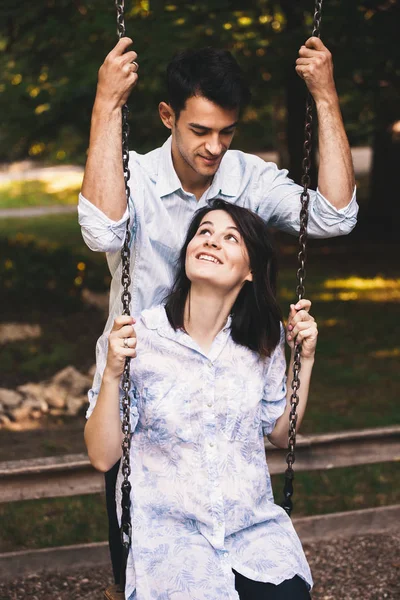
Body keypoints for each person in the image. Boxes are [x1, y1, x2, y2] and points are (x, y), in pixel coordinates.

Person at [78, 37, 357, 584]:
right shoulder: (131, 175)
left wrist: (324, 97)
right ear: (167, 116)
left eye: (226, 132)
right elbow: (99, 230)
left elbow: (334, 216)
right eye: (200, 131)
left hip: (222, 388)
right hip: (143, 392)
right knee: (143, 571)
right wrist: (106, 104)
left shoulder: (245, 176)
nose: (214, 147)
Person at [85, 200, 318, 600]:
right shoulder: (139, 337)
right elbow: (103, 457)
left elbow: (282, 435)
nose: (212, 241)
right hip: (171, 538)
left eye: (231, 237)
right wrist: (111, 373)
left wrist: (305, 360)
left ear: (250, 271)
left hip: (251, 531)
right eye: (204, 231)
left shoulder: (262, 341)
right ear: (188, 250)